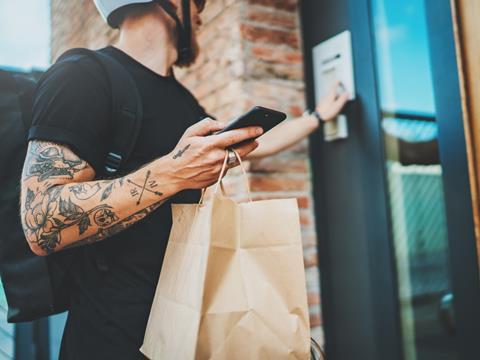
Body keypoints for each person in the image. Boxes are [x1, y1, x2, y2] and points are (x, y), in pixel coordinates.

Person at [20, 0, 349, 358]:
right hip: (113, 340)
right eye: (199, 3)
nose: (201, 13)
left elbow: (255, 143)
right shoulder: (82, 74)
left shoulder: (183, 101)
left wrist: (317, 116)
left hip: (186, 334)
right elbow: (41, 222)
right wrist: (175, 172)